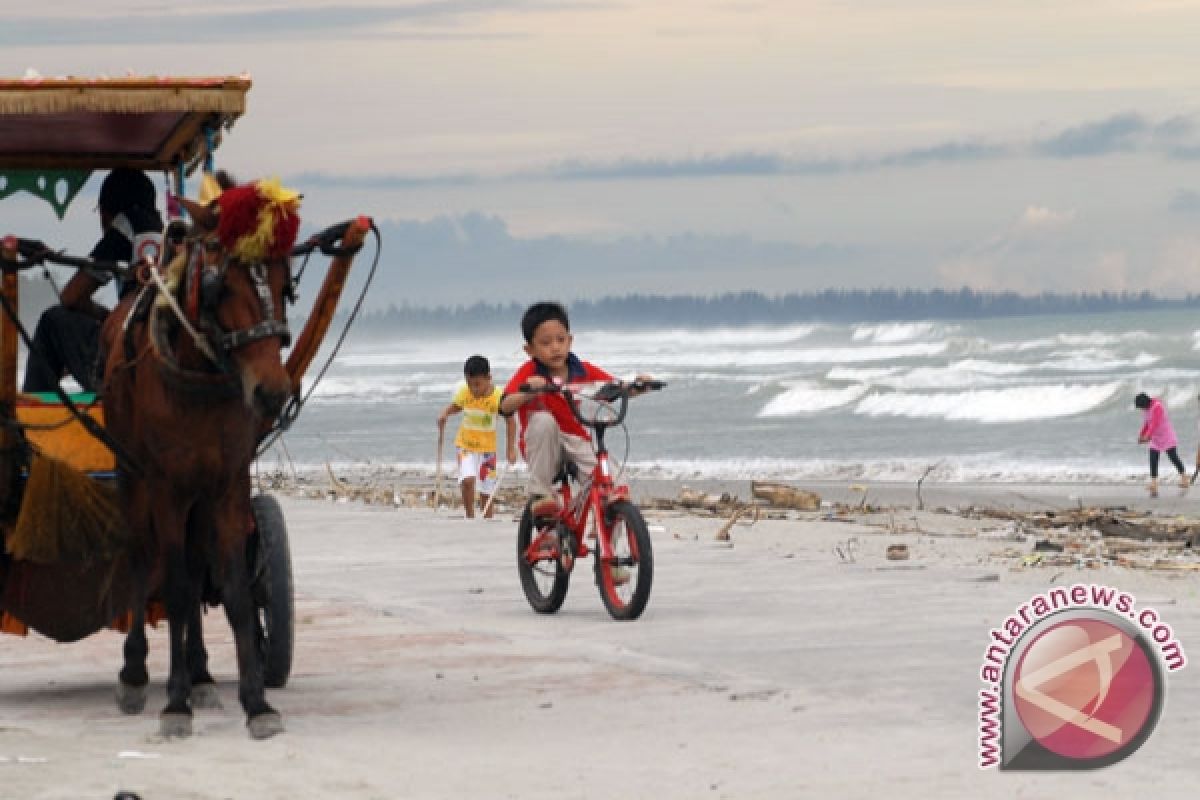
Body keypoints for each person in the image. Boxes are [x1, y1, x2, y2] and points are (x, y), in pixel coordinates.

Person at [499, 301, 652, 518]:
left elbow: (613, 388)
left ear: (570, 341)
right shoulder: (530, 371)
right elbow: (504, 406)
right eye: (546, 342)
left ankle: (604, 531)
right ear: (529, 349)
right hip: (543, 444)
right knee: (543, 420)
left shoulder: (582, 369)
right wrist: (529, 392)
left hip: (575, 439)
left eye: (561, 340)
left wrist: (637, 386)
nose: (555, 347)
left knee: (615, 480)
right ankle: (541, 494)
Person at [22, 168, 163, 394]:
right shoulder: (165, 231)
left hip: (126, 364)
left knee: (53, 320)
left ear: (107, 213)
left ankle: (33, 410)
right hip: (156, 354)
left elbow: (72, 297)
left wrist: (104, 316)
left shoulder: (126, 225)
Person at [436, 355, 517, 519]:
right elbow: (457, 406)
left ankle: (488, 520)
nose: (474, 389)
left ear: (489, 378)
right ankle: (470, 517)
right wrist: (445, 414)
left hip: (487, 450)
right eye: (470, 384)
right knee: (467, 481)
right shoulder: (466, 392)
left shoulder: (498, 397)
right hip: (465, 445)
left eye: (478, 384)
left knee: (487, 491)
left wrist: (510, 449)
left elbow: (510, 421)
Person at [1135, 392, 1187, 497]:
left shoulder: (1157, 407)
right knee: (1153, 458)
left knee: (1173, 458)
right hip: (1155, 438)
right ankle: (1154, 483)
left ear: (1145, 403)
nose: (1141, 409)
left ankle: (1184, 478)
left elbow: (1154, 423)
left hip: (1166, 435)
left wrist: (1147, 437)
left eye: (1141, 407)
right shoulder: (1146, 409)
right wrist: (1141, 435)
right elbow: (1147, 423)